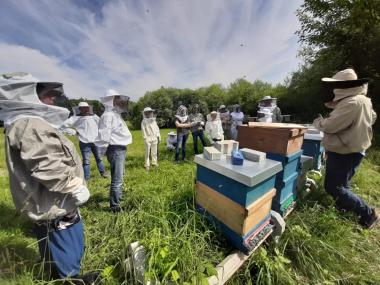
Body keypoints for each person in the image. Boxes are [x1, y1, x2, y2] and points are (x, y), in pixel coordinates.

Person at [0, 72, 96, 283]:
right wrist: (74, 186)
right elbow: (48, 165)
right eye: (46, 94)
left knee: (52, 245)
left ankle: (59, 275)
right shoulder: (30, 125)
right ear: (25, 96)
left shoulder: (25, 123)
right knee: (66, 247)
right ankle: (70, 280)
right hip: (54, 202)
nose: (53, 99)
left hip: (49, 201)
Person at [313, 68, 378, 228]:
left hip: (345, 150)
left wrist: (318, 122)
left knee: (333, 187)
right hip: (355, 149)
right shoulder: (364, 100)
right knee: (343, 184)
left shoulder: (352, 102)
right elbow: (373, 117)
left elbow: (331, 126)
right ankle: (343, 209)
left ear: (345, 86)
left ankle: (368, 213)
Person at [96, 89, 132, 212]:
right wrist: (103, 151)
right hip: (115, 149)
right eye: (116, 98)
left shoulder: (115, 114)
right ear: (109, 100)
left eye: (119, 98)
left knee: (120, 176)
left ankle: (118, 198)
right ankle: (115, 207)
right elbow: (104, 136)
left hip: (119, 149)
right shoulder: (108, 116)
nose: (119, 101)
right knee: (117, 180)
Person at [61, 102, 108, 180]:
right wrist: (74, 132)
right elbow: (63, 126)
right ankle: (87, 178)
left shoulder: (94, 117)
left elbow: (102, 125)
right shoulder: (75, 118)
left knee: (99, 158)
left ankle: (103, 173)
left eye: (87, 107)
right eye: (84, 108)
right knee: (86, 161)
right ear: (80, 109)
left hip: (95, 141)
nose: (86, 109)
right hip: (84, 142)